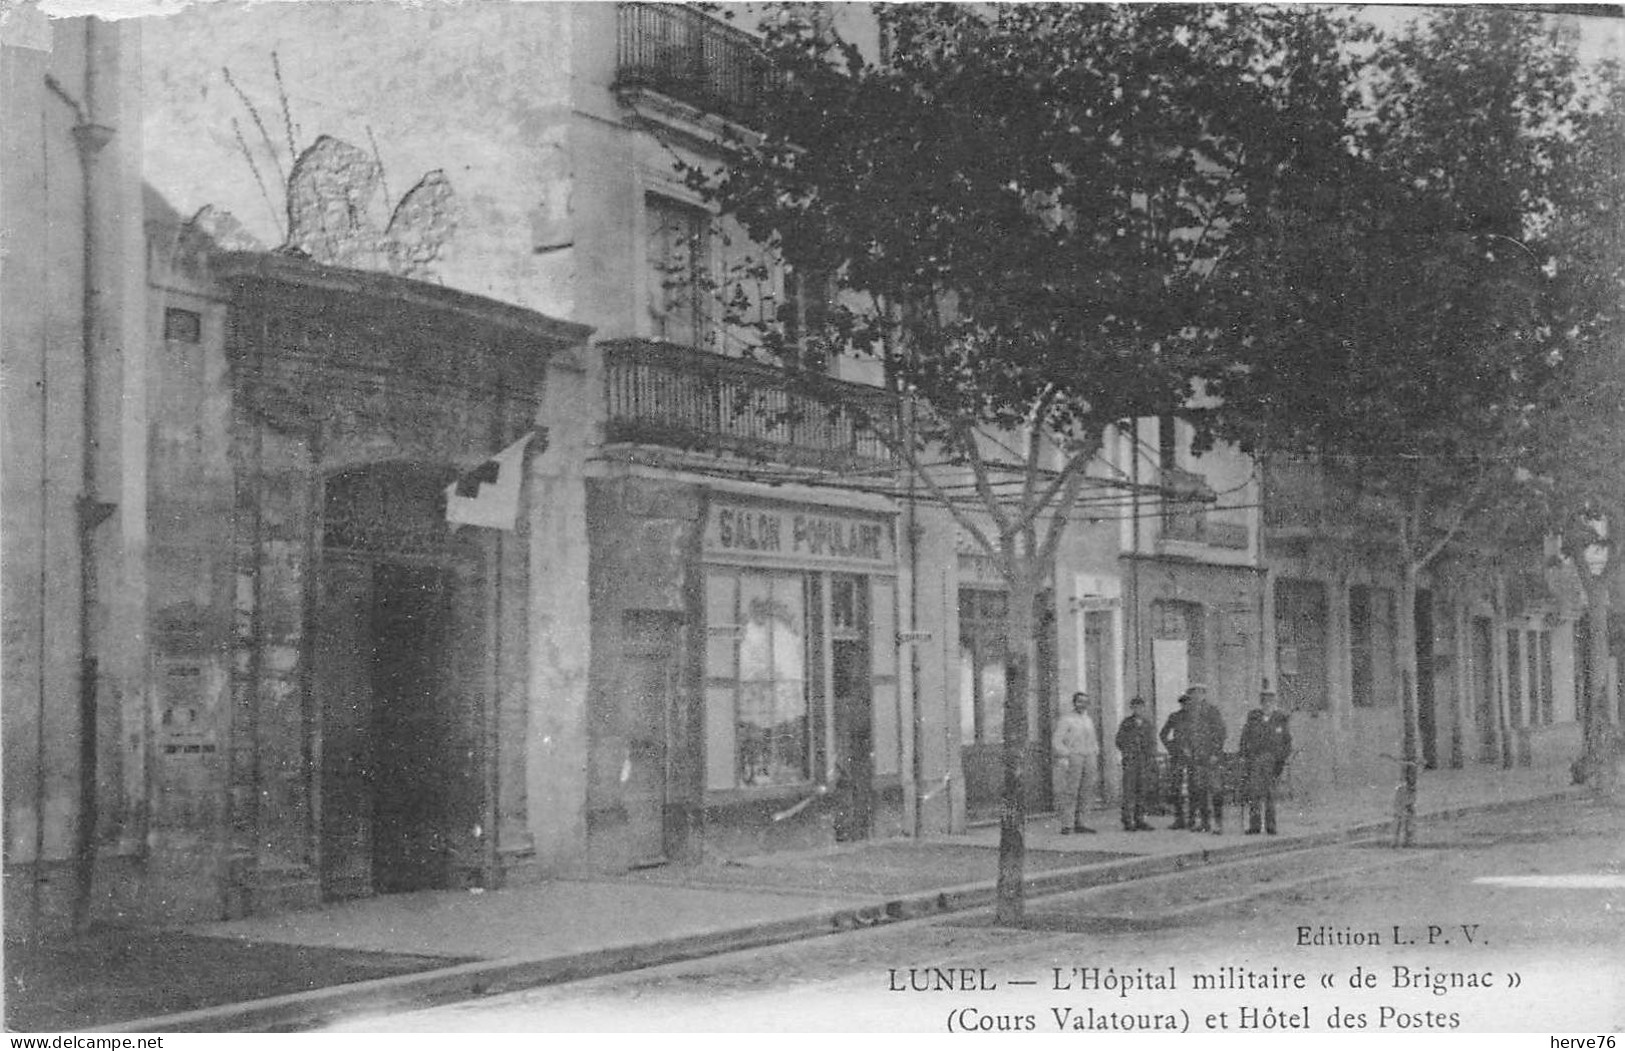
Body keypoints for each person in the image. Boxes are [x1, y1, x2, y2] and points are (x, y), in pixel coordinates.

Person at [1239, 682, 1293, 835]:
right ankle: (1254, 826)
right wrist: (1244, 756)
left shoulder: (1280, 720)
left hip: (1273, 762)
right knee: (1254, 793)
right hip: (1255, 760)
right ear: (1261, 703)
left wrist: (1281, 759)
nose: (1267, 704)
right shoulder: (1253, 718)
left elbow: (1287, 743)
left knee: (1270, 794)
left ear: (1274, 703)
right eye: (1264, 701)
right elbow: (1244, 739)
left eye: (1270, 701)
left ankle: (1271, 826)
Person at [1052, 691, 1098, 834]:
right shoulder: (1066, 720)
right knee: (1071, 791)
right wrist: (1067, 754)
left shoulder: (1088, 720)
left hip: (1089, 757)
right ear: (1074, 703)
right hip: (1074, 757)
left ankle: (1082, 822)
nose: (1082, 705)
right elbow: (1056, 741)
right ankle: (1067, 824)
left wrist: (1095, 750)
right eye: (1079, 702)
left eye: (1085, 702)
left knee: (1086, 790)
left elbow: (1093, 739)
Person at [1185, 683, 1228, 834]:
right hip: (1197, 758)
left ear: (1204, 694)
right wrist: (1187, 749)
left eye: (1198, 693)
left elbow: (1221, 732)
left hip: (1211, 758)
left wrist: (1216, 753)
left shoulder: (1212, 711)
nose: (1195, 696)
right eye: (1193, 693)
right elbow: (1187, 734)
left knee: (1215, 790)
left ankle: (1218, 824)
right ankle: (1204, 823)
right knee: (1200, 791)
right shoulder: (1190, 712)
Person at [1115, 697, 1156, 832]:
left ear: (1144, 708)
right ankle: (1128, 819)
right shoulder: (1126, 723)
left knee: (1142, 790)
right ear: (1132, 708)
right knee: (1129, 791)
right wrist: (1128, 752)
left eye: (1141, 707)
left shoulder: (1147, 724)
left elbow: (1151, 743)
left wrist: (1150, 758)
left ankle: (1140, 819)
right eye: (1135, 707)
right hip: (1131, 761)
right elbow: (1119, 740)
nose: (1138, 709)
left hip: (1143, 762)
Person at [1159, 692, 1193, 829]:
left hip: (1194, 757)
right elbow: (1163, 734)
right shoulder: (1175, 717)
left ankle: (1192, 819)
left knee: (1194, 788)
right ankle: (1179, 819)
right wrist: (1173, 748)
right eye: (1183, 703)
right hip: (1178, 757)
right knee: (1176, 788)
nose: (1186, 705)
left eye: (1188, 703)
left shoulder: (1196, 718)